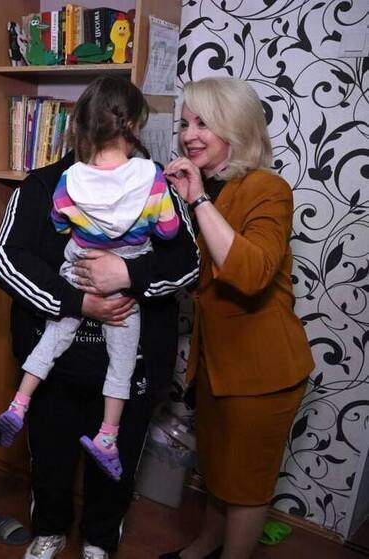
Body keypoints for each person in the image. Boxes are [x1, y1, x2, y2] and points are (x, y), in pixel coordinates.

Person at [0, 75, 199, 559]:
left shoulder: (152, 182)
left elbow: (187, 263)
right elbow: (7, 260)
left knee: (116, 460)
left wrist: (125, 273)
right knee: (51, 457)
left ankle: (101, 540)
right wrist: (78, 300)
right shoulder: (44, 184)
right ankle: (50, 528)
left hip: (132, 365)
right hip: (58, 365)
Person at [160, 77, 314, 559]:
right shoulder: (207, 188)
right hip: (217, 366)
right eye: (185, 123)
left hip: (263, 373)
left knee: (246, 485)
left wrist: (198, 201)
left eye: (204, 123)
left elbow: (250, 274)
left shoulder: (268, 188)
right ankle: (206, 544)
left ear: (237, 127)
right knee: (217, 471)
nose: (189, 134)